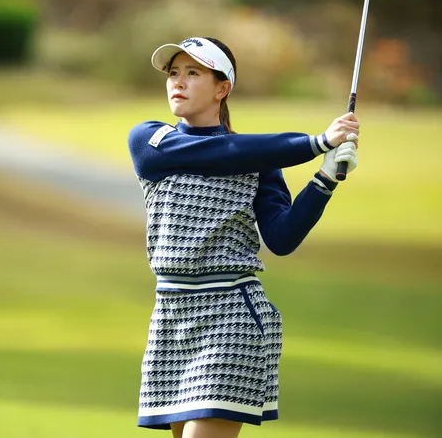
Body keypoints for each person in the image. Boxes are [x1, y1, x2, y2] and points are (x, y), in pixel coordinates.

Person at [127, 36, 360, 438]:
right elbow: (222, 152)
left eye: (193, 73)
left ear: (222, 88)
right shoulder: (151, 140)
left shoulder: (259, 160)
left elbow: (282, 238)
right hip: (170, 317)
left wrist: (324, 179)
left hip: (231, 316)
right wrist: (316, 143)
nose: (178, 81)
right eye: (173, 73)